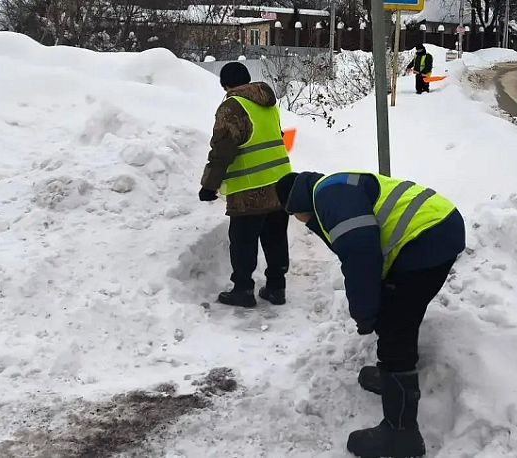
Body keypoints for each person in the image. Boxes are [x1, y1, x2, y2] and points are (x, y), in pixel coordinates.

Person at [274, 170, 466, 458]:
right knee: (398, 310)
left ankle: (401, 433)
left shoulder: (330, 198)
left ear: (295, 206)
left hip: (427, 238)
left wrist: (364, 313)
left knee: (394, 325)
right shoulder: (331, 188)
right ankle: (392, 380)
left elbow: (360, 254)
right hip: (438, 228)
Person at [198, 61, 292, 308]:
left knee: (243, 242)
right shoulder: (267, 104)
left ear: (225, 84)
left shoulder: (232, 107)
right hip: (280, 183)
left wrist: (209, 185)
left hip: (249, 189)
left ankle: (243, 290)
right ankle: (276, 287)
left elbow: (222, 150)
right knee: (275, 238)